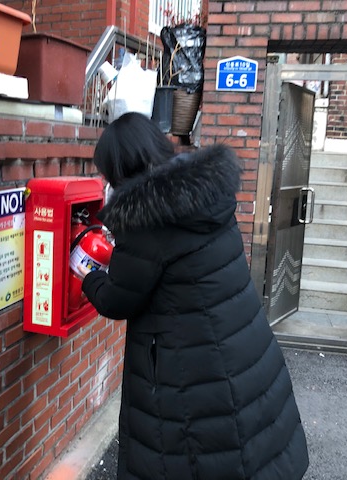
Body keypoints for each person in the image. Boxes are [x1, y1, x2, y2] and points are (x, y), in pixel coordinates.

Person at [80, 112, 309, 480]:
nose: (105, 181)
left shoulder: (145, 221)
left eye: (107, 173)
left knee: (202, 453)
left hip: (195, 368)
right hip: (244, 350)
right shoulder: (202, 193)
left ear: (123, 169)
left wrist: (87, 275)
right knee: (246, 445)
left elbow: (117, 300)